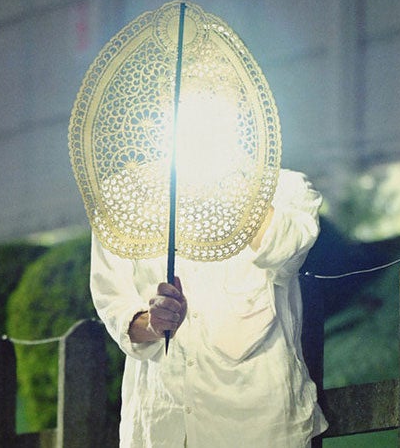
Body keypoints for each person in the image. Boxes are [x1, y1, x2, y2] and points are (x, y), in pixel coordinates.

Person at [90, 168, 328, 447]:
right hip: (160, 424)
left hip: (258, 425)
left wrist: (234, 185)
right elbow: (112, 300)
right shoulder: (122, 197)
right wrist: (153, 324)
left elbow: (286, 251)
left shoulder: (284, 186)